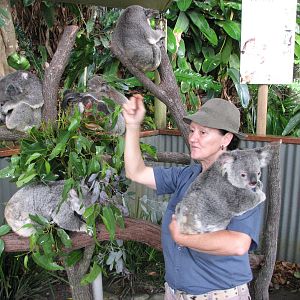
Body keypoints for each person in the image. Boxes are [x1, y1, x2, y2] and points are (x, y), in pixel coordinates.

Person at [122, 95, 263, 300]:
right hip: (176, 292)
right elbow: (135, 172)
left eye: (203, 132)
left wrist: (185, 238)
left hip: (219, 294)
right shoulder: (187, 175)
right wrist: (133, 125)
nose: (193, 138)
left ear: (226, 139)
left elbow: (238, 243)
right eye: (192, 131)